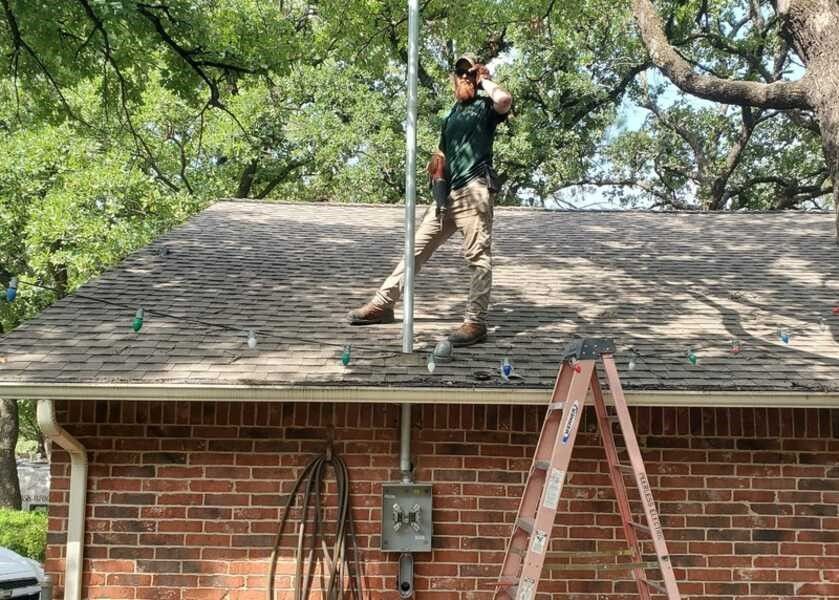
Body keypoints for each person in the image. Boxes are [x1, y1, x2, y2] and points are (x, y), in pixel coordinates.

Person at [347, 53, 512, 347]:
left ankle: (475, 322)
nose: (464, 77)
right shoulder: (449, 115)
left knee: (477, 257)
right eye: (459, 73)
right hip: (448, 197)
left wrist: (484, 80)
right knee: (415, 249)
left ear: (478, 75)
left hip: (475, 190)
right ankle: (383, 305)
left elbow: (504, 101)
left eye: (469, 72)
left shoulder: (485, 106)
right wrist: (438, 190)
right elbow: (441, 158)